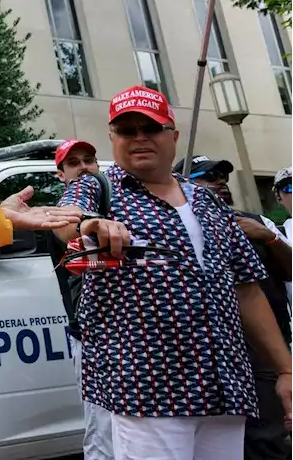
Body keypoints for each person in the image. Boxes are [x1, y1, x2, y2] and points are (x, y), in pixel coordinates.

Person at [56, 85, 293, 460]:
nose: (139, 138)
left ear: (173, 135)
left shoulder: (208, 202)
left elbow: (247, 290)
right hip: (148, 390)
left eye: (150, 128)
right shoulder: (96, 187)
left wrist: (285, 370)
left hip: (225, 387)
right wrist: (90, 224)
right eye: (127, 130)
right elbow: (66, 220)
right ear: (112, 137)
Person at [184, 155, 293, 460]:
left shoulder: (257, 222)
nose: (219, 181)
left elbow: (290, 271)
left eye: (221, 175)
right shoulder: (178, 229)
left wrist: (269, 239)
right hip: (213, 358)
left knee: (269, 441)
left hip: (264, 356)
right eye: (207, 176)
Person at [45, 139, 112, 460]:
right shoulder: (66, 208)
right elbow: (68, 229)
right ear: (61, 174)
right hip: (92, 338)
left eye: (89, 160)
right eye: (74, 163)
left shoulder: (116, 200)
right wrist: (90, 225)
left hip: (137, 341)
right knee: (102, 431)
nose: (84, 167)